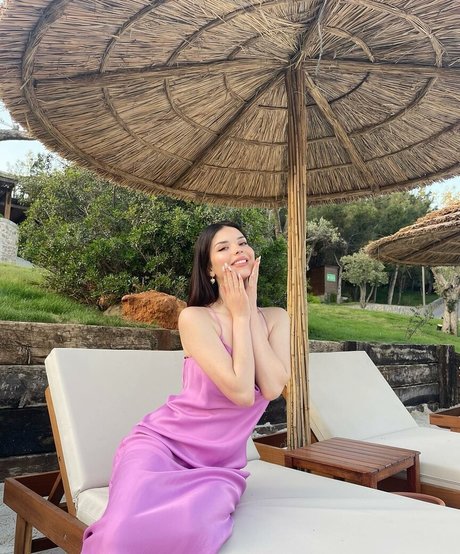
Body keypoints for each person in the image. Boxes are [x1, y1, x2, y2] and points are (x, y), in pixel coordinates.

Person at [81, 221, 290, 554]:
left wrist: (249, 313)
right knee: (122, 531)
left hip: (217, 469)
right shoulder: (195, 318)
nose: (237, 250)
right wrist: (240, 316)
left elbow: (273, 387)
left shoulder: (276, 318)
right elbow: (240, 392)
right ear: (209, 269)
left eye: (242, 242)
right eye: (223, 247)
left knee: (194, 529)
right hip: (161, 447)